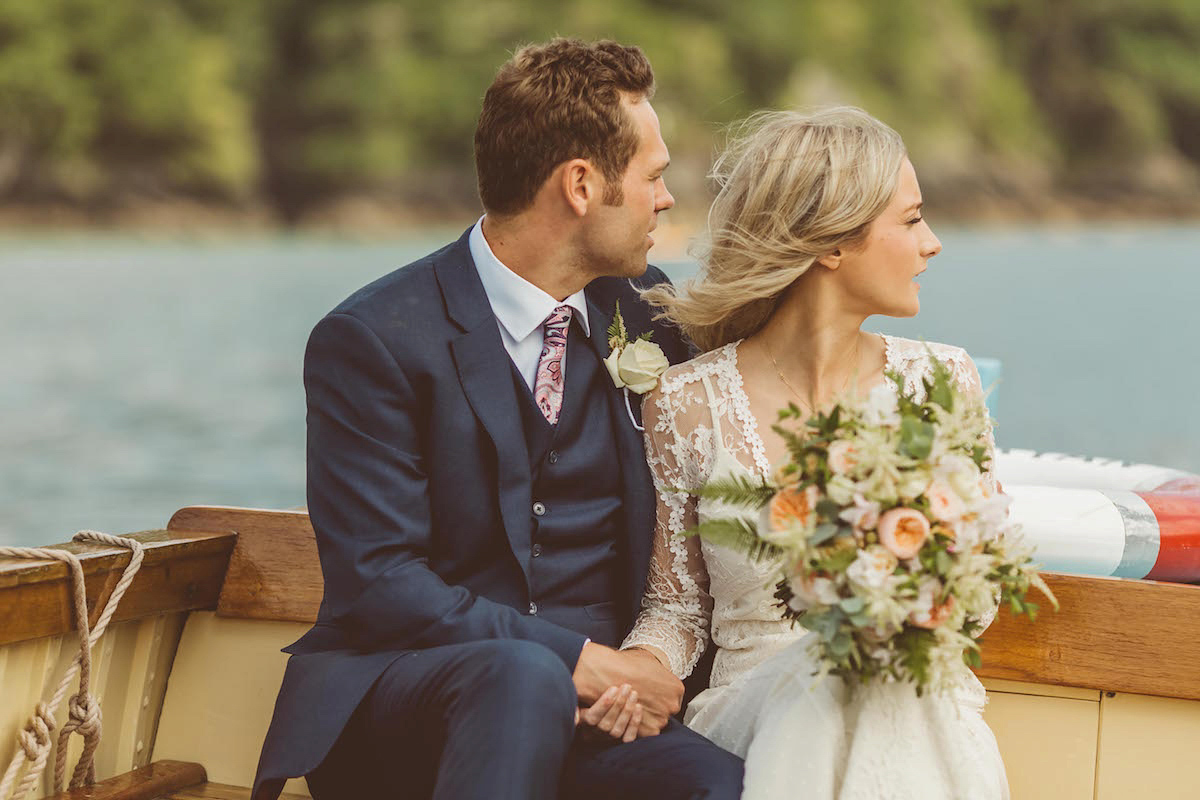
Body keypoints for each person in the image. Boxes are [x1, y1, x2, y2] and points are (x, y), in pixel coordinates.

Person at [250, 38, 744, 800]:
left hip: (604, 711)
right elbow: (381, 583)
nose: (667, 199)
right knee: (519, 677)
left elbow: (750, 392)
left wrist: (636, 669)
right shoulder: (373, 339)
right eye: (654, 176)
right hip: (413, 703)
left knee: (729, 787)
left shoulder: (645, 310)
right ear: (581, 185)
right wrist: (575, 659)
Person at [622, 107, 1010, 799]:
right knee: (829, 683)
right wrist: (633, 672)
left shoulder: (946, 383)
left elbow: (980, 602)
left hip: (918, 706)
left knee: (870, 683)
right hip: (754, 717)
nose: (934, 244)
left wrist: (914, 595)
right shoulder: (686, 401)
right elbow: (676, 611)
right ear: (832, 245)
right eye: (913, 219)